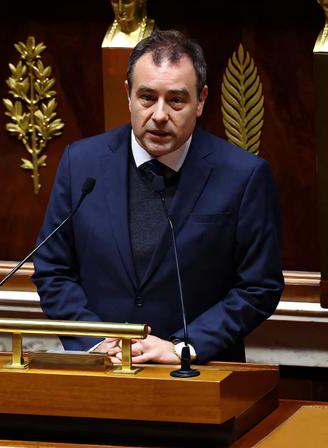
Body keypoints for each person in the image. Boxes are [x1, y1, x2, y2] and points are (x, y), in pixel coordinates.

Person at [33, 30, 283, 364]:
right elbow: (52, 268)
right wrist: (94, 340)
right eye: (147, 97)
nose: (160, 115)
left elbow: (258, 286)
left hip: (197, 374)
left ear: (201, 100)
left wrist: (183, 347)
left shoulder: (244, 176)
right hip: (102, 373)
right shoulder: (80, 163)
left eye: (176, 100)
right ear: (128, 95)